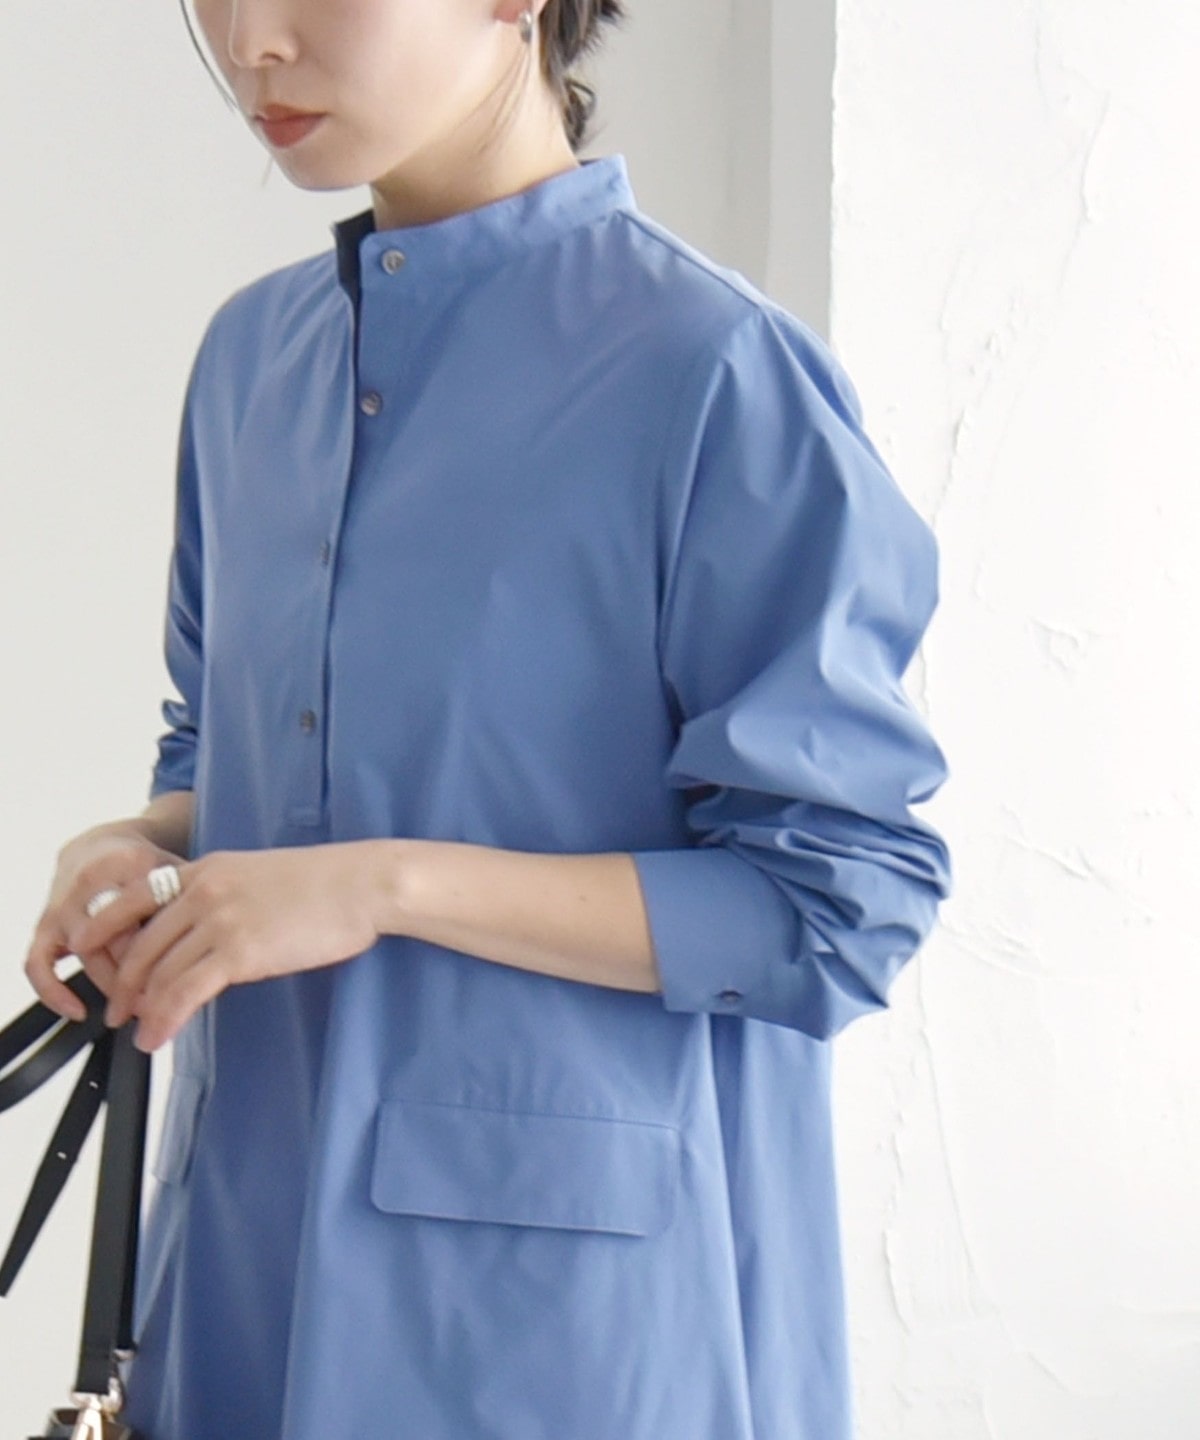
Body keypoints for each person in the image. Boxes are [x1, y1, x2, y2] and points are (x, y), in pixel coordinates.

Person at [21, 1, 953, 1437]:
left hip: (570, 1335)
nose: (251, 41)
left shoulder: (713, 372)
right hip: (241, 1275)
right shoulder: (252, 363)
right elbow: (239, 748)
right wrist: (149, 845)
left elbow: (835, 905)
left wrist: (381, 888)